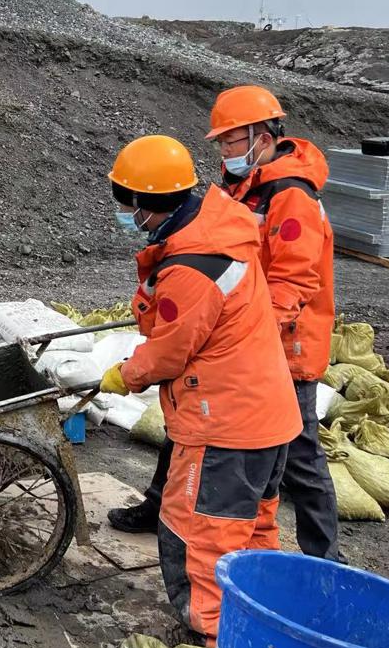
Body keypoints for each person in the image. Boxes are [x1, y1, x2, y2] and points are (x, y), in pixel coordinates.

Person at [108, 86, 340, 560]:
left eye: (232, 142)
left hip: (283, 347)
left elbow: (294, 280)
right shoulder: (244, 187)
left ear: (263, 135)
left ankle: (324, 558)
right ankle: (158, 507)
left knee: (295, 457)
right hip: (241, 338)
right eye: (221, 143)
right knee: (188, 428)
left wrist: (249, 340)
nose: (225, 152)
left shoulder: (290, 194)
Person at [100, 134, 301, 644]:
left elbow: (168, 351)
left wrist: (122, 376)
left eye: (125, 201)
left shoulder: (192, 267)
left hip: (225, 425)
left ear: (145, 203)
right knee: (251, 531)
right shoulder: (217, 225)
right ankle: (257, 626)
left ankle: (213, 641)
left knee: (198, 534)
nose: (123, 210)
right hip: (267, 413)